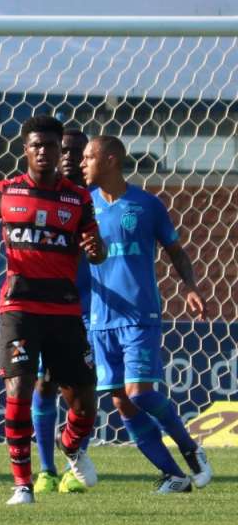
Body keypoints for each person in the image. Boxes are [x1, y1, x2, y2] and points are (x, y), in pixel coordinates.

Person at [0, 115, 106, 506]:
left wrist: (95, 249)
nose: (43, 151)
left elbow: (96, 247)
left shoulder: (78, 198)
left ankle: (71, 447)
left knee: (85, 400)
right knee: (19, 389)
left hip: (63, 309)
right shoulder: (3, 192)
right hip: (19, 306)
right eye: (35, 145)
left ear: (61, 151)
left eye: (51, 146)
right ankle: (22, 485)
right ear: (25, 149)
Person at [81, 135, 212, 493]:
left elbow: (176, 251)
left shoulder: (146, 205)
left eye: (88, 157)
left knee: (139, 393)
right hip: (100, 318)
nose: (81, 164)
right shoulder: (83, 207)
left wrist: (189, 287)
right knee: (122, 403)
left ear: (109, 160)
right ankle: (174, 476)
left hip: (140, 315)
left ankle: (191, 449)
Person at [33, 128, 96, 495]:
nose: (70, 157)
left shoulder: (93, 200)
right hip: (48, 305)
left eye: (77, 151)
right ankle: (45, 469)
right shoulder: (40, 198)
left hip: (90, 309)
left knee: (83, 391)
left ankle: (75, 462)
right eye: (65, 150)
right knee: (44, 383)